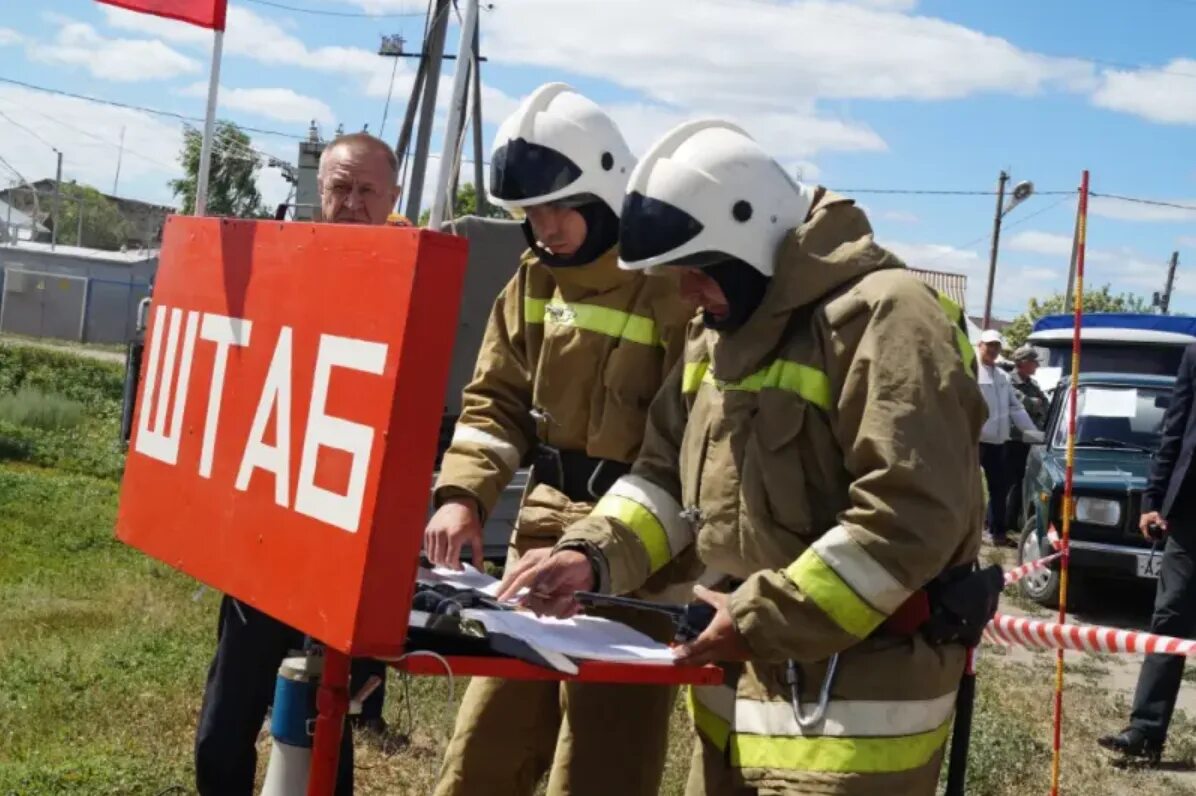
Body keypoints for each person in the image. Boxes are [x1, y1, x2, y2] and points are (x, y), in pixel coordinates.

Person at [500, 119, 988, 796]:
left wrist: (761, 615)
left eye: (698, 272)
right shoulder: (721, 330)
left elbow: (909, 514)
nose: (686, 295)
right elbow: (666, 477)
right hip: (742, 689)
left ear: (749, 239)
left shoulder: (887, 318)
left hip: (856, 715)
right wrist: (592, 555)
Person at [424, 83, 693, 796]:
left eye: (556, 207)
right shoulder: (533, 280)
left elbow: (687, 456)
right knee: (485, 747)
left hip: (641, 566)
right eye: (529, 212)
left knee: (603, 766)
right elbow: (495, 402)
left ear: (604, 192)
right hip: (531, 550)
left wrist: (595, 552)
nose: (543, 227)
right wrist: (460, 496)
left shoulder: (674, 290)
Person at [193, 132, 400, 796]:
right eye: (341, 187)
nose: (353, 202)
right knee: (223, 732)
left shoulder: (411, 284)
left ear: (393, 197)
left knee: (321, 729)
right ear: (320, 191)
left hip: (346, 551)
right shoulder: (281, 270)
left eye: (368, 190)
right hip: (266, 535)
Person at [1099, 344, 1196, 764]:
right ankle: (1145, 732)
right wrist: (1153, 496)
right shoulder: (1195, 355)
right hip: (1191, 517)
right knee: (1169, 615)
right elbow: (1173, 430)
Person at [977, 330, 1042, 546]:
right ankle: (961, 530)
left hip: (997, 442)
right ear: (980, 345)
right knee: (967, 486)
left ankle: (997, 532)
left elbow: (1016, 408)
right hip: (974, 440)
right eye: (989, 345)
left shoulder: (1002, 377)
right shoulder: (971, 372)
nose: (993, 350)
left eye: (996, 346)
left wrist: (1034, 434)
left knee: (1000, 487)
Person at [1004, 345, 1049, 530]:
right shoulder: (1010, 382)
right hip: (1014, 438)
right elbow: (1026, 404)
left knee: (1023, 481)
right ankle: (1002, 522)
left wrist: (1036, 403)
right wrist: (1034, 403)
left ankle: (1014, 521)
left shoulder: (1032, 384)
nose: (1036, 366)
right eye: (1033, 362)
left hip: (1030, 438)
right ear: (1023, 363)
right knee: (1010, 482)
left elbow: (1044, 404)